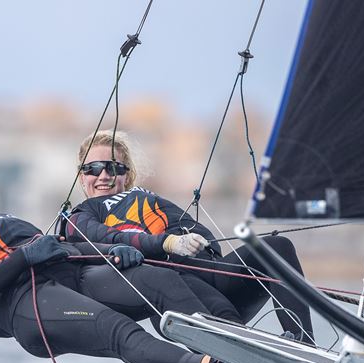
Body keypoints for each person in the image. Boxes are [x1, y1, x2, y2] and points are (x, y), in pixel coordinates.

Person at [0, 153, 269, 363]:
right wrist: (21, 261)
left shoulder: (2, 220)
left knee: (157, 280)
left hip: (74, 278)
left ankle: (238, 348)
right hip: (27, 306)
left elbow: (59, 249)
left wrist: (109, 252)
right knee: (120, 332)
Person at [64, 130, 315, 344]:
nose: (103, 176)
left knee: (277, 245)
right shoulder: (83, 214)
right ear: (81, 176)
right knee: (194, 292)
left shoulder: (148, 197)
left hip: (216, 277)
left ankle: (303, 342)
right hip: (173, 292)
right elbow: (104, 237)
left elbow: (203, 237)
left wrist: (195, 242)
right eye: (93, 169)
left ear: (127, 175)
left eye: (113, 167)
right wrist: (168, 243)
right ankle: (240, 359)